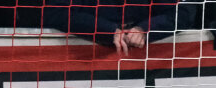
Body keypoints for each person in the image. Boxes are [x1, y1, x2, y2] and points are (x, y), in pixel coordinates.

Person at [42, 0, 200, 53]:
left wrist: (143, 30)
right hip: (80, 70)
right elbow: (56, 12)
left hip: (139, 72)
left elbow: (183, 13)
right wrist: (108, 30)